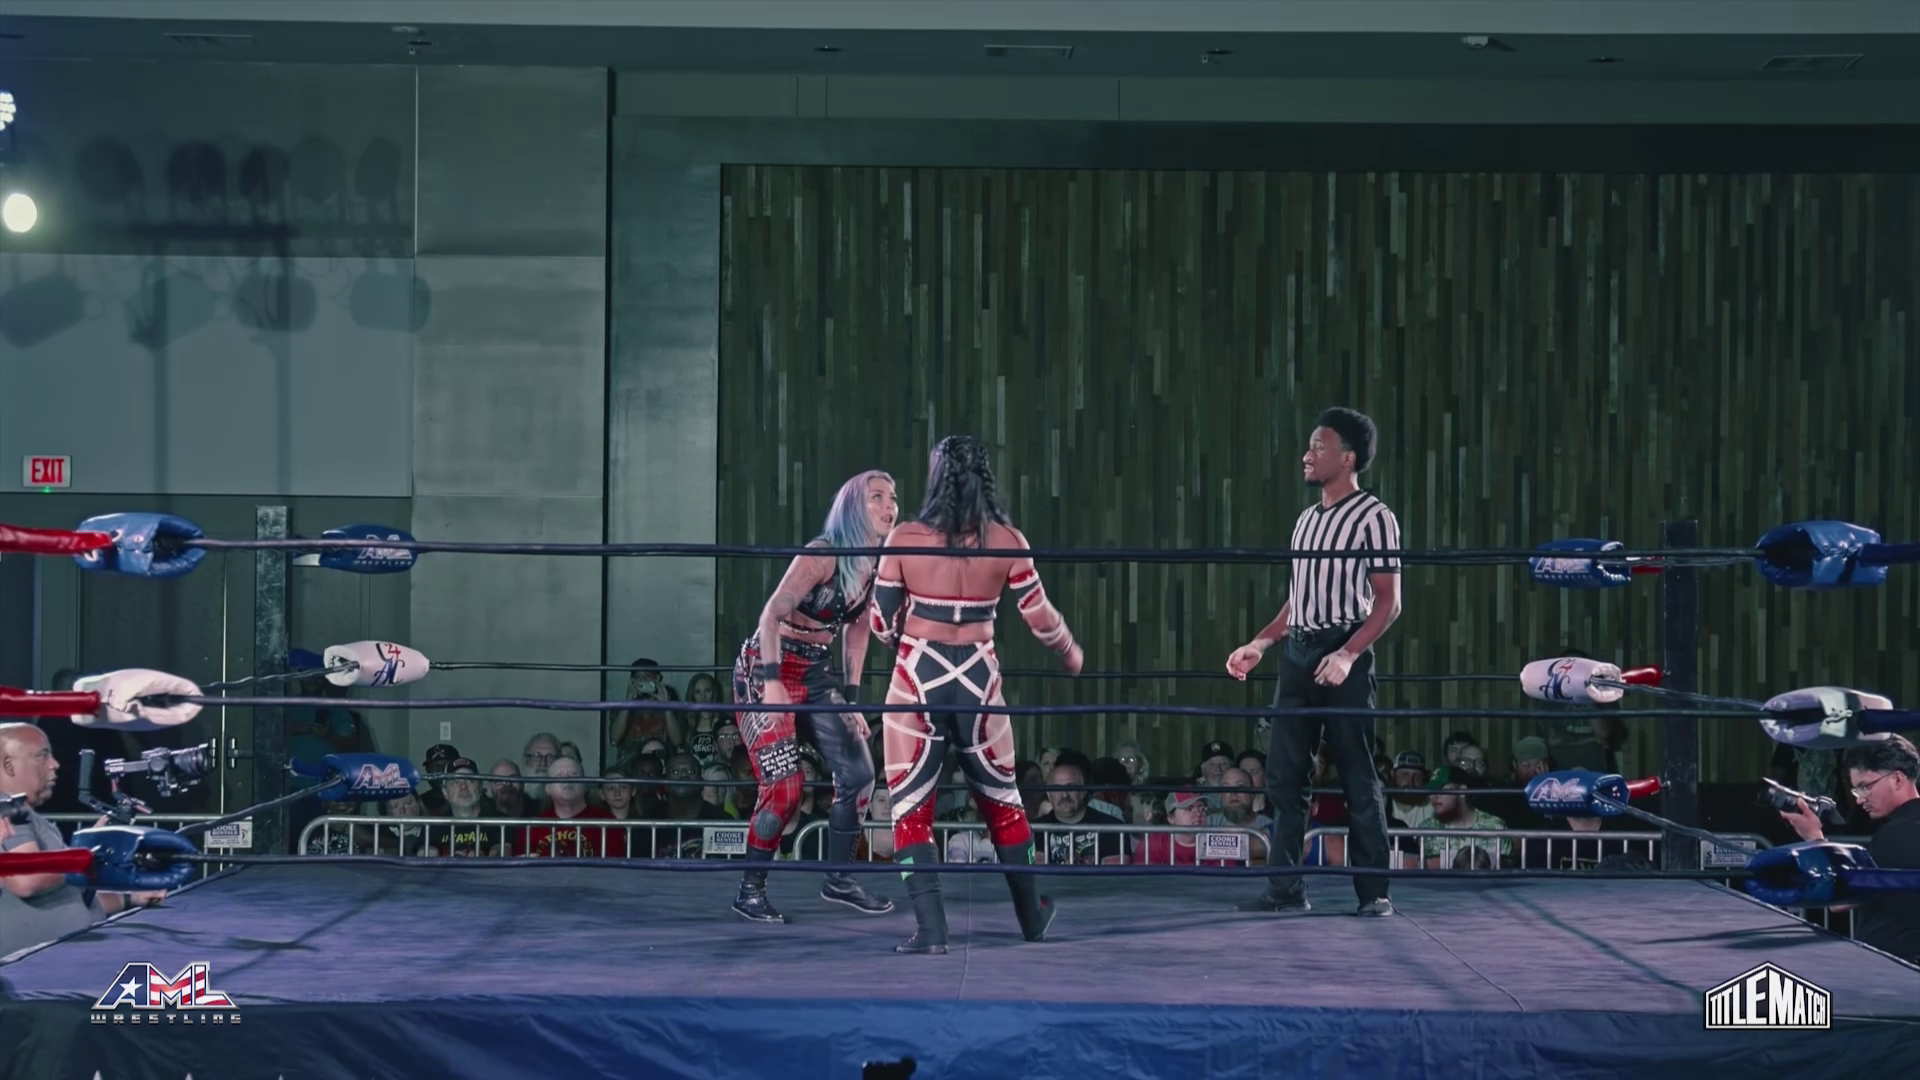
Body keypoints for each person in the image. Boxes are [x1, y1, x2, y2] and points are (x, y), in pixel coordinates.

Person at [871, 434, 1085, 955]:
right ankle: (1032, 919)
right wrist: (1070, 649)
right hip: (978, 682)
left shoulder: (905, 538)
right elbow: (1039, 617)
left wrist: (906, 624)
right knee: (1004, 804)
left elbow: (880, 623)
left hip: (918, 677)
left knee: (910, 809)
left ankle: (932, 930)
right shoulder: (1007, 540)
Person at [1226, 406, 1401, 918]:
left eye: (1319, 447)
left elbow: (1389, 601)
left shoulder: (1374, 516)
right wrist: (1260, 643)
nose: (1307, 455)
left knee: (1357, 774)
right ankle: (1285, 888)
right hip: (1298, 654)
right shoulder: (1306, 521)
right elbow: (1299, 599)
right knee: (1284, 776)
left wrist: (1348, 653)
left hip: (1345, 647)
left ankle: (1374, 892)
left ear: (1347, 458)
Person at [729, 469, 900, 922]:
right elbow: (771, 614)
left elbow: (858, 629)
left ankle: (839, 879)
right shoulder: (822, 554)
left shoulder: (875, 563)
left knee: (860, 773)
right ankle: (750, 891)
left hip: (815, 674)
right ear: (852, 506)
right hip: (766, 665)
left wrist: (852, 698)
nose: (889, 506)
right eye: (877, 497)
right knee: (786, 785)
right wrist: (771, 682)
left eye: (893, 498)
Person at [0, 723, 166, 959]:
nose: (54, 764)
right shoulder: (9, 812)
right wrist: (93, 854)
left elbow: (67, 898)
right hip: (34, 968)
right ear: (8, 765)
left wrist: (130, 898)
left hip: (58, 960)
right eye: (42, 755)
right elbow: (27, 879)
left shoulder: (27, 816)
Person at [1778, 735, 1920, 964]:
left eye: (1865, 787)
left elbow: (1840, 901)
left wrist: (1814, 837)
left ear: (1897, 779)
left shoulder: (1896, 834)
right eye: (1856, 791)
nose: (1860, 800)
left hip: (1891, 966)